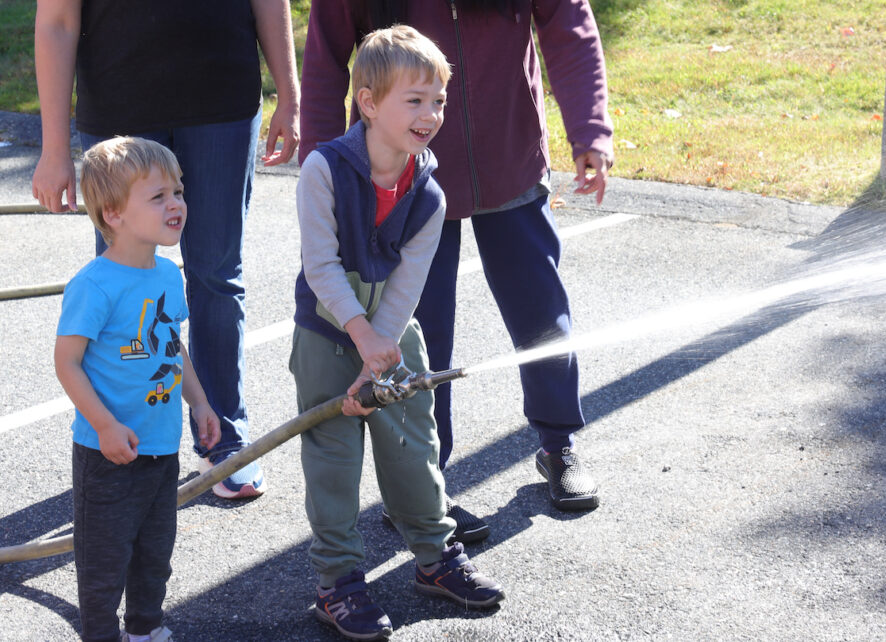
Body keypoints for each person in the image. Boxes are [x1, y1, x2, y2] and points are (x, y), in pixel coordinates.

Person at [300, 0, 614, 536]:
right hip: (401, 176)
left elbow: (569, 25)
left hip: (508, 157)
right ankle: (423, 487)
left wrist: (590, 129)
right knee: (419, 333)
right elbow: (327, 55)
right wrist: (324, 163)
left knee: (541, 310)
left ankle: (558, 444)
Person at [33, 0, 300, 498]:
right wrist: (53, 148)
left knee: (217, 273)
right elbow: (56, 21)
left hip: (222, 98)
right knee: (125, 289)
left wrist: (289, 91)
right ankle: (120, 443)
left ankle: (224, 438)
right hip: (119, 107)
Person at [291, 26, 505, 641]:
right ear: (368, 102)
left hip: (392, 335)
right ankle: (338, 585)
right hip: (327, 334)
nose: (430, 114)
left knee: (414, 446)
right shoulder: (323, 170)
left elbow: (408, 287)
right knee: (333, 459)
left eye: (437, 100)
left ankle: (436, 558)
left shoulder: (430, 195)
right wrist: (359, 339)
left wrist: (380, 349)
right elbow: (321, 266)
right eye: (414, 100)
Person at [54, 137, 221, 642]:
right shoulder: (95, 285)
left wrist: (200, 401)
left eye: (179, 191)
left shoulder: (168, 275)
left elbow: (173, 346)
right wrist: (104, 426)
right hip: (107, 455)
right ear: (114, 213)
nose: (176, 204)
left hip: (160, 447)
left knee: (154, 556)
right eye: (158, 196)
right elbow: (67, 364)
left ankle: (146, 629)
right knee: (104, 565)